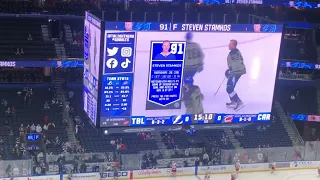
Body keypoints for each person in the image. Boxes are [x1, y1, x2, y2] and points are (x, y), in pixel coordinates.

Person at [225, 39, 246, 111]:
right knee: (230, 87)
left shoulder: (232, 54)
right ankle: (233, 102)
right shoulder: (237, 51)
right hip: (237, 71)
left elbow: (236, 64)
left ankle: (239, 102)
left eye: (230, 44)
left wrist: (231, 70)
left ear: (233, 45)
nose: (228, 45)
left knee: (229, 88)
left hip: (236, 72)